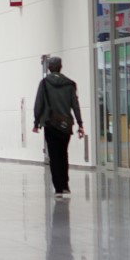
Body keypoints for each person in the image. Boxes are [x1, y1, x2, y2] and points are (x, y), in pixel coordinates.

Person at [32, 57, 85, 199]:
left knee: (54, 156)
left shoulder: (44, 83)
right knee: (63, 154)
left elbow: (38, 104)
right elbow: (75, 105)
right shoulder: (70, 84)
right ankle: (65, 185)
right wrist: (80, 124)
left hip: (50, 124)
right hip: (66, 125)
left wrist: (36, 122)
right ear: (61, 67)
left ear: (49, 68)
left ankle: (58, 188)